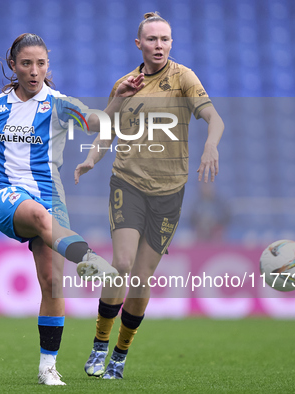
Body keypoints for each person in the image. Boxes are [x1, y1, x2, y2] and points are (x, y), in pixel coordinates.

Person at [0, 33, 144, 385]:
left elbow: (93, 122)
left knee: (53, 283)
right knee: (42, 219)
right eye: (26, 63)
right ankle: (94, 264)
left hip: (50, 198)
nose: (34, 71)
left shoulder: (58, 104)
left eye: (41, 63)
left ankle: (47, 368)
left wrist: (117, 100)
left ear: (48, 66)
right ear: (13, 65)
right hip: (8, 198)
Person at [75, 12, 225, 379]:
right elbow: (105, 127)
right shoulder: (125, 84)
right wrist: (91, 159)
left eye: (165, 39)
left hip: (170, 192)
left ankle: (119, 356)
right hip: (128, 182)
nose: (160, 45)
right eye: (153, 39)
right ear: (138, 43)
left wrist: (211, 146)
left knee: (141, 278)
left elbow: (214, 119)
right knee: (122, 264)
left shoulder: (184, 78)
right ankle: (98, 345)